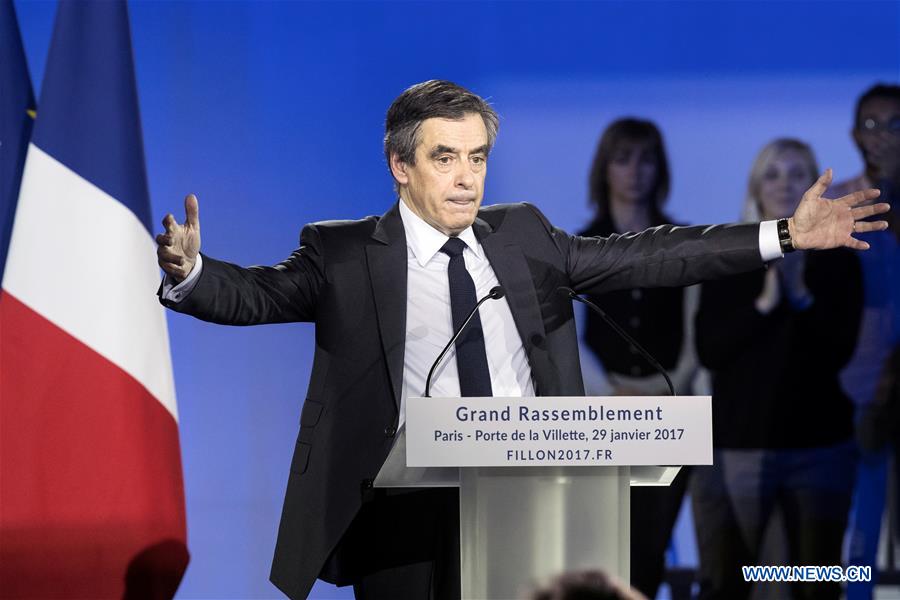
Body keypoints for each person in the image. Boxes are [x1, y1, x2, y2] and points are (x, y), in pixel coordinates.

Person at [155, 81, 888, 600]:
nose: (467, 178)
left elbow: (654, 254)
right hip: (399, 510)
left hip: (528, 495)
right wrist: (193, 272)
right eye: (445, 157)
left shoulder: (525, 237)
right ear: (400, 166)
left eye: (477, 158)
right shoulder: (345, 253)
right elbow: (256, 295)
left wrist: (785, 233)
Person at [692, 139, 864, 600]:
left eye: (796, 173)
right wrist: (765, 304)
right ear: (755, 187)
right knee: (733, 581)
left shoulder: (840, 259)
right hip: (742, 446)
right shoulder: (726, 256)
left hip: (821, 447)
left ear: (814, 188)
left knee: (818, 584)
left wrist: (803, 298)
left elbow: (840, 349)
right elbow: (711, 350)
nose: (785, 184)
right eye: (773, 174)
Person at [579, 118, 698, 598]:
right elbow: (564, 332)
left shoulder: (684, 241)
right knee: (601, 555)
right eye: (623, 158)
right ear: (604, 169)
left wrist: (664, 388)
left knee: (649, 552)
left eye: (646, 159)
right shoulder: (578, 245)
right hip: (599, 414)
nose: (635, 171)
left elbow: (695, 330)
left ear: (661, 169)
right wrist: (609, 393)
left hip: (670, 413)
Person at [829, 83, 900, 600]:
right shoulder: (837, 207)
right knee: (857, 539)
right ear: (855, 134)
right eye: (872, 125)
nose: (882, 137)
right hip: (856, 389)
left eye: (894, 124)